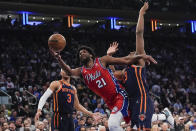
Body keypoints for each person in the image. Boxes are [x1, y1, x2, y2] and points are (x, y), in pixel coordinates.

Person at [50, 38, 157, 130]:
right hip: (110, 102)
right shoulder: (81, 71)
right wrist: (59, 59)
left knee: (113, 124)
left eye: (84, 51)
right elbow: (69, 72)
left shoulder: (102, 61)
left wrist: (142, 56)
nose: (81, 53)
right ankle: (157, 116)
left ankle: (155, 116)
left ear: (91, 55)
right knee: (134, 124)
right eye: (80, 53)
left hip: (120, 96)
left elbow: (125, 60)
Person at [106, 2, 174, 130]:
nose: (134, 52)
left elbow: (139, 33)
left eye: (135, 52)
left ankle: (162, 117)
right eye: (131, 53)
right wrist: (108, 55)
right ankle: (162, 116)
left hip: (142, 99)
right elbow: (112, 75)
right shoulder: (124, 71)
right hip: (132, 103)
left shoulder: (139, 62)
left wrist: (141, 13)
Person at [34, 69, 100, 131]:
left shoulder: (73, 88)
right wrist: (39, 110)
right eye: (63, 69)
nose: (65, 71)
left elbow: (77, 106)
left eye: (67, 69)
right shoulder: (56, 83)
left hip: (69, 118)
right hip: (58, 116)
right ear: (61, 73)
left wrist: (91, 114)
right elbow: (44, 97)